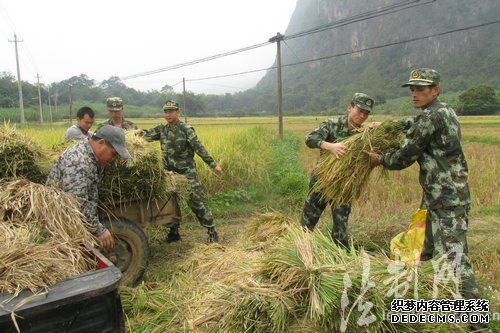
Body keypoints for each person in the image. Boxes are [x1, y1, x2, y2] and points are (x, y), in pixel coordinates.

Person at [368, 68, 485, 330]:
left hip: (447, 200)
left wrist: (378, 159)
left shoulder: (431, 116)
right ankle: (428, 313)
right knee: (423, 252)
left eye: (421, 89)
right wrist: (389, 126)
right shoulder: (444, 111)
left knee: (455, 260)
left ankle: (479, 326)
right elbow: (414, 123)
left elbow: (404, 156)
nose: (414, 93)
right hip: (436, 200)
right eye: (412, 88)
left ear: (436, 90)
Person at [137, 100, 224, 243]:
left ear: (178, 112)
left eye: (171, 111)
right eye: (166, 111)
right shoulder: (162, 130)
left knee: (196, 202)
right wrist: (136, 132)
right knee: (170, 203)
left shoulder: (186, 130)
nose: (168, 114)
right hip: (170, 174)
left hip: (187, 174)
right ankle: (174, 234)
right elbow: (146, 135)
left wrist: (214, 165)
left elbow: (199, 148)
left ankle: (212, 232)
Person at [300, 93, 375, 249]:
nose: (362, 116)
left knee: (341, 228)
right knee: (307, 223)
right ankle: (301, 251)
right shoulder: (332, 125)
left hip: (344, 185)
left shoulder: (364, 134)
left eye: (366, 113)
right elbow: (309, 139)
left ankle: (340, 258)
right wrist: (330, 146)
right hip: (322, 180)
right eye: (359, 110)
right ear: (350, 107)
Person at [46, 126, 132, 249]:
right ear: (101, 143)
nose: (113, 159)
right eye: (113, 154)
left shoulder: (91, 156)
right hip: (59, 221)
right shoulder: (80, 163)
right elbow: (75, 204)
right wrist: (98, 230)